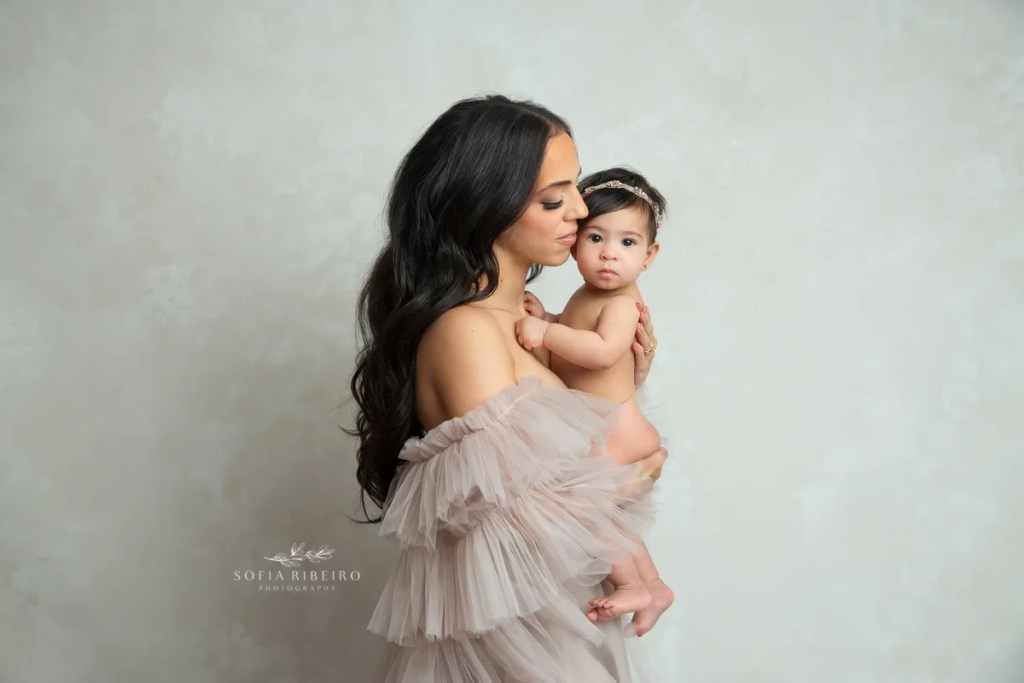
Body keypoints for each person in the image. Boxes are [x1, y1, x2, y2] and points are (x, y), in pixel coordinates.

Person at [350, 94, 668, 682]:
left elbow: (560, 467)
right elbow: (518, 520)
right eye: (554, 198)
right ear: (486, 208)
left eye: (575, 188)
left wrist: (619, 381)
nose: (580, 209)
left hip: (568, 618)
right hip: (521, 643)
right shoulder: (465, 330)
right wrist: (633, 476)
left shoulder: (524, 323)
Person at [515, 167, 675, 639]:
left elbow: (603, 350)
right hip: (607, 425)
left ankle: (632, 586)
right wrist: (551, 317)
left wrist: (547, 332)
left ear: (649, 256)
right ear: (575, 243)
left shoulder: (625, 304)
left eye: (628, 243)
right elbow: (575, 341)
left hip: (618, 427)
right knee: (610, 516)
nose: (609, 253)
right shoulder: (586, 294)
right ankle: (655, 586)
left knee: (584, 507)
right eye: (596, 237)